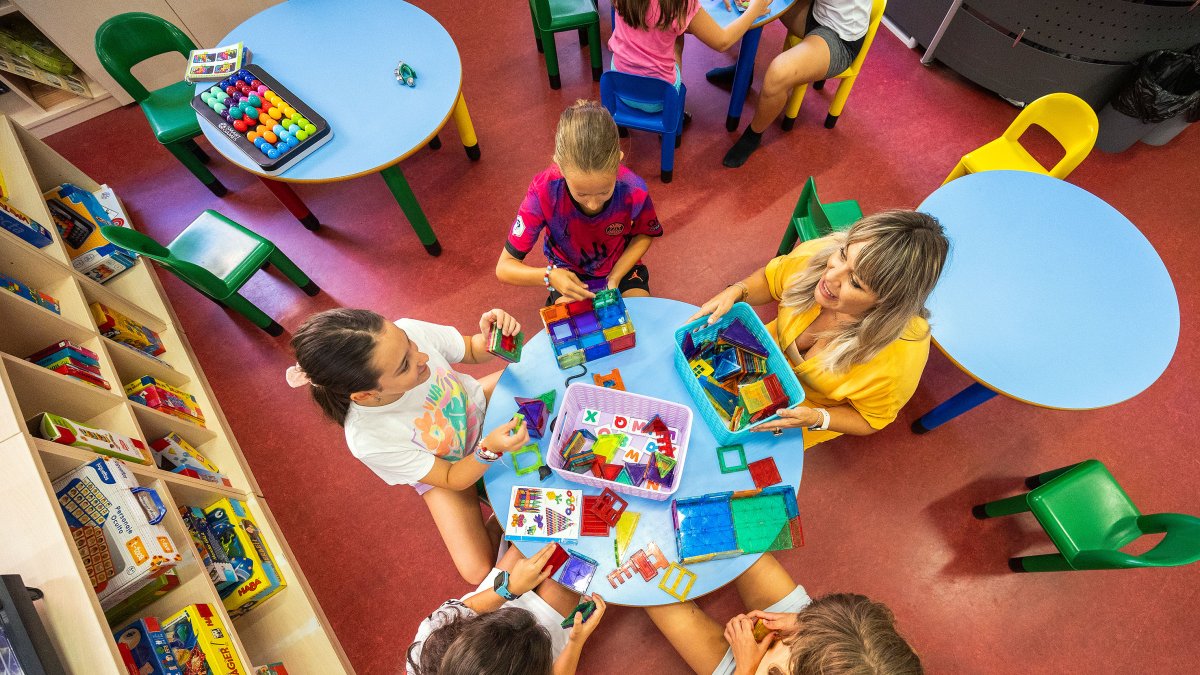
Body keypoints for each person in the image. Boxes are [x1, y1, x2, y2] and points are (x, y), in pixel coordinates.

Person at [288, 307, 529, 584]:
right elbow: (451, 478)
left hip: (476, 405)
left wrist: (491, 339)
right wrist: (488, 450)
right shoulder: (368, 439)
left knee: (531, 372)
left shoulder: (405, 333)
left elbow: (472, 350)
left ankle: (502, 505)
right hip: (446, 468)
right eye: (404, 365)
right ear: (366, 394)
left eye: (408, 341)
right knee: (476, 570)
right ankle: (501, 514)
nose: (422, 356)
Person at [690, 210, 949, 448]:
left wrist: (817, 417)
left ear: (888, 302)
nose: (831, 276)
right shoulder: (820, 255)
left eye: (855, 283)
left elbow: (870, 419)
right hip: (746, 354)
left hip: (792, 417)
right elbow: (770, 280)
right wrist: (736, 291)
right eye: (844, 255)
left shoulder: (897, 362)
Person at [496, 100, 663, 305]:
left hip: (620, 266)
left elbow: (645, 233)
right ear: (560, 166)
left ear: (618, 160)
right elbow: (504, 267)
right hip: (568, 275)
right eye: (582, 194)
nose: (593, 205)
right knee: (573, 329)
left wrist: (615, 276)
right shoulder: (543, 192)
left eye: (604, 192)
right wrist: (549, 276)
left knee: (641, 313)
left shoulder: (633, 189)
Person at [645, 552, 922, 674]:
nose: (780, 642)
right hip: (822, 638)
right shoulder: (888, 665)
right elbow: (854, 620)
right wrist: (803, 622)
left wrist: (746, 667)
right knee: (739, 546)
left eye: (792, 653)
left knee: (652, 591)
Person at [406, 543, 608, 675]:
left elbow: (470, 607)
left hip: (488, 608)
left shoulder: (429, 644)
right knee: (576, 564)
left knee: (536, 543)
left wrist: (509, 589)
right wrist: (575, 642)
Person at [717, 0, 873, 167]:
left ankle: (753, 135)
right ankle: (744, 71)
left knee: (778, 73)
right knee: (752, 9)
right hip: (816, 11)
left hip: (839, 36)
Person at [608, 0, 769, 112]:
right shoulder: (680, 4)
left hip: (618, 83)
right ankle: (673, 113)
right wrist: (753, 10)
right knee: (677, 38)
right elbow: (722, 41)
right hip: (660, 96)